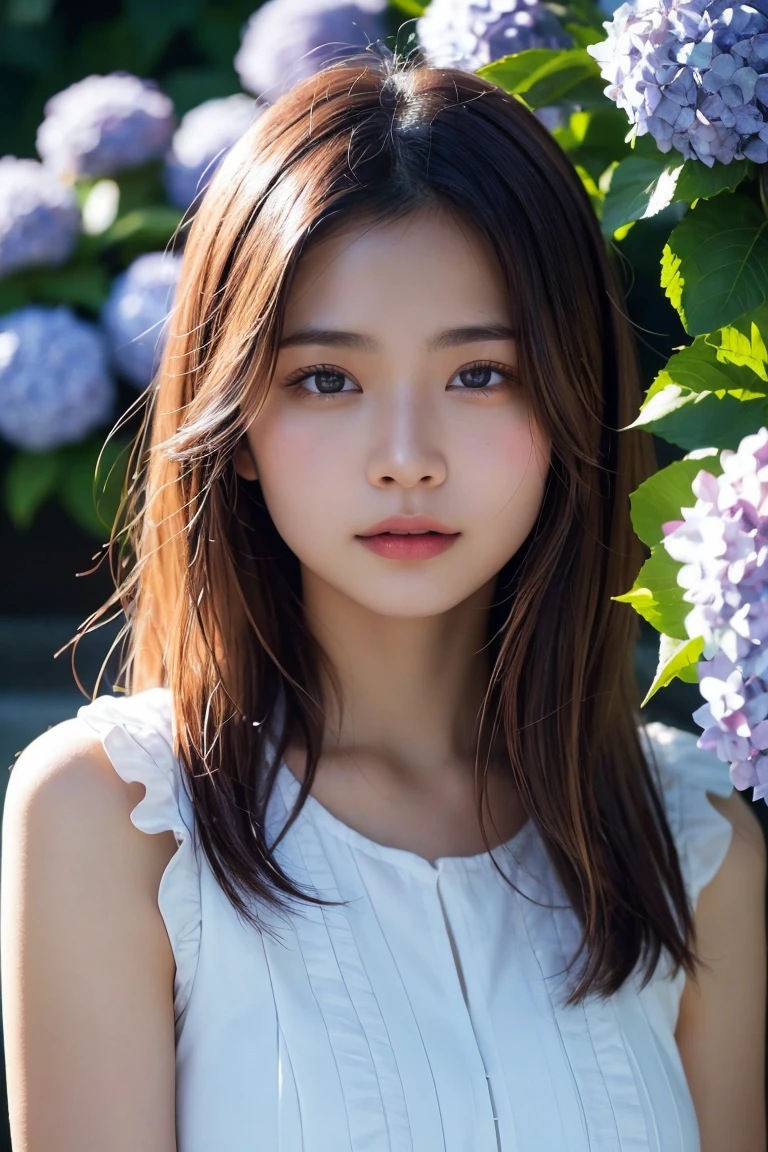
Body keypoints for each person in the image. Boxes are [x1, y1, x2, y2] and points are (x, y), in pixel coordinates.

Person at [2, 49, 766, 1152]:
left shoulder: (692, 844)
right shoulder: (116, 818)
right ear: (239, 425)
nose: (406, 458)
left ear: (568, 403)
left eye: (478, 374)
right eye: (327, 379)